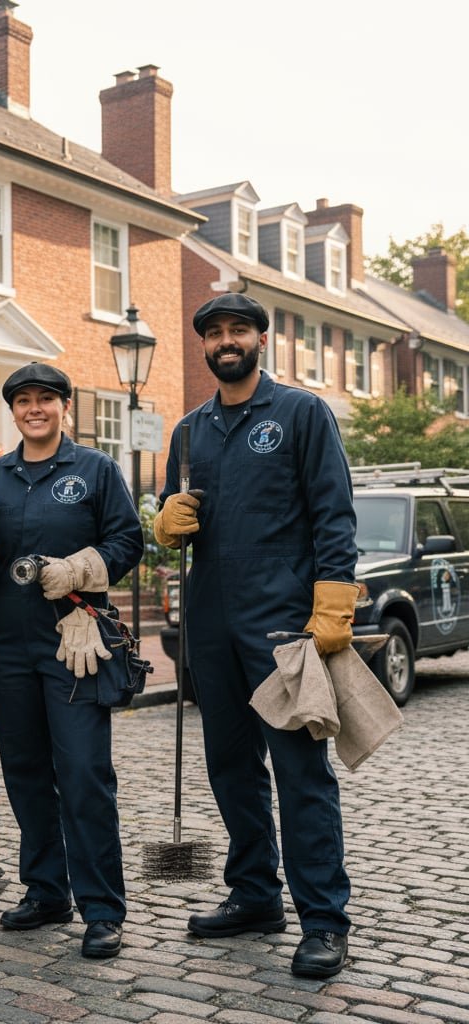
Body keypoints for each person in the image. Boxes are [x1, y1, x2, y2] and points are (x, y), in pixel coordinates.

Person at [154, 292, 359, 978]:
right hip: (209, 626)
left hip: (283, 629)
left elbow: (333, 511)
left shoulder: (301, 414)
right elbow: (172, 517)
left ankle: (324, 920)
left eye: (238, 329)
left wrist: (333, 599)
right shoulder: (189, 431)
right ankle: (253, 895)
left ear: (261, 340)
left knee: (302, 775)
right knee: (231, 770)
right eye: (214, 333)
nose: (227, 341)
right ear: (205, 348)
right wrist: (166, 520)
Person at [0, 362, 143, 959]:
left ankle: (103, 907)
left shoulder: (95, 470)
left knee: (84, 773)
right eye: (23, 400)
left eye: (46, 399)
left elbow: (127, 541)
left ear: (65, 405)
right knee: (26, 771)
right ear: (12, 411)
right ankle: (46, 890)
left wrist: (82, 567)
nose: (34, 408)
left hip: (74, 640)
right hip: (7, 641)